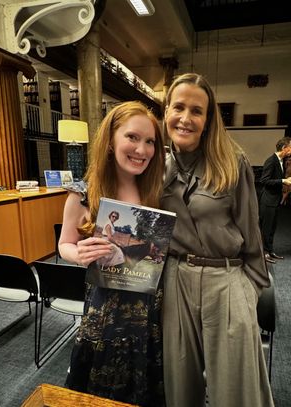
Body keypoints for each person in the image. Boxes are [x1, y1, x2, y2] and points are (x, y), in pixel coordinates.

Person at [161, 73, 274, 407]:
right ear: (165, 110)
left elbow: (252, 234)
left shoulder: (231, 162)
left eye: (197, 111)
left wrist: (248, 291)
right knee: (179, 387)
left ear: (208, 119)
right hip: (176, 279)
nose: (186, 118)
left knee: (235, 391)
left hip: (225, 280)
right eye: (178, 107)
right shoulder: (155, 165)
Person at [58, 101, 166, 406]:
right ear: (110, 141)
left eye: (150, 142)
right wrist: (78, 254)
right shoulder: (84, 193)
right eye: (132, 137)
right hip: (105, 311)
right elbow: (64, 243)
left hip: (151, 312)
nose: (142, 150)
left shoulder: (158, 191)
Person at [259, 137, 291, 263]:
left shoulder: (281, 161)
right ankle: (263, 253)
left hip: (275, 200)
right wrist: (284, 181)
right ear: (284, 148)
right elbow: (264, 180)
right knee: (265, 229)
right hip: (267, 201)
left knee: (272, 228)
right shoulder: (271, 161)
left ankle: (270, 251)